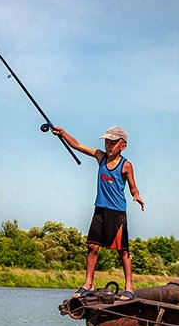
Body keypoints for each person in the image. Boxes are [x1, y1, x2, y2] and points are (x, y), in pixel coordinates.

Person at [51, 125, 145, 300]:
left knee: (122, 250)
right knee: (92, 246)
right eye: (106, 142)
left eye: (112, 143)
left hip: (117, 213)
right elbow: (78, 146)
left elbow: (133, 188)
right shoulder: (100, 156)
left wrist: (136, 196)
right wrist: (63, 133)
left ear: (122, 146)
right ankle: (89, 284)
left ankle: (129, 287)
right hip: (100, 210)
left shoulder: (126, 165)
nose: (108, 145)